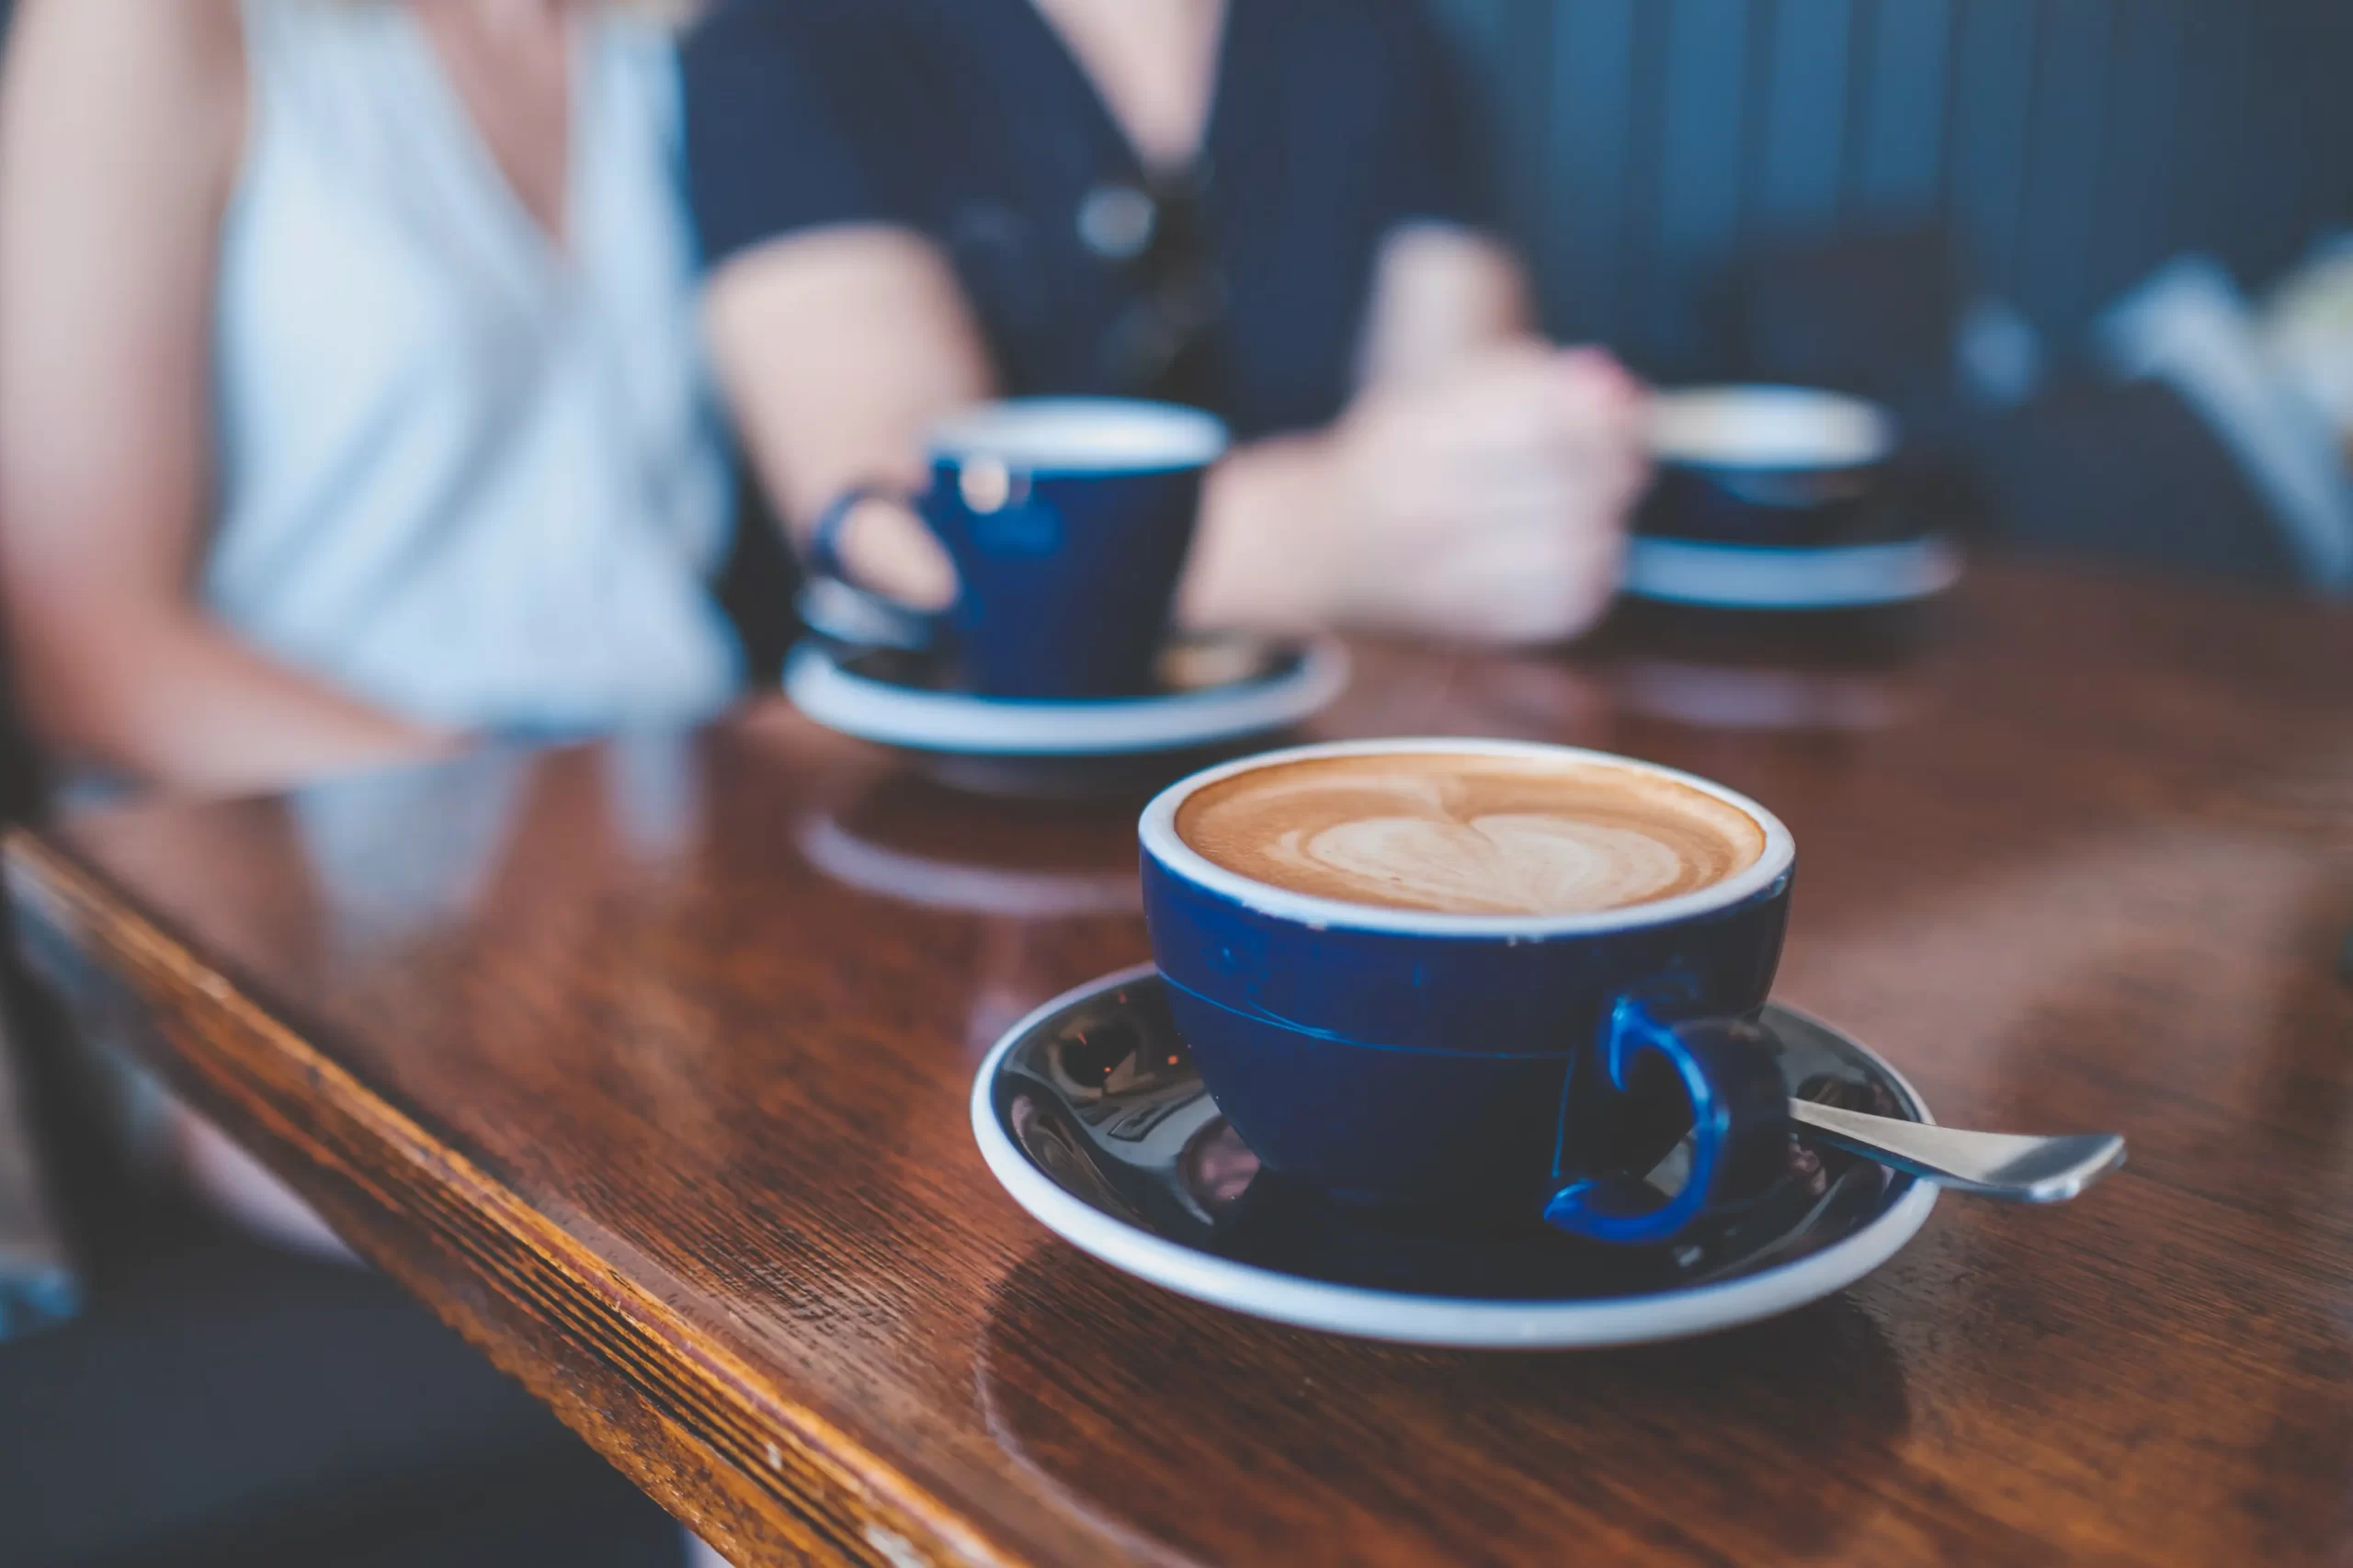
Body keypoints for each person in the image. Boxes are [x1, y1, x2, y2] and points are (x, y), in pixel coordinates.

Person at [0, 2, 724, 1561]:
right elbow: (90, 639)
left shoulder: (684, 39)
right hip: (294, 878)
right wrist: (556, 820)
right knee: (746, 1230)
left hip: (696, 867)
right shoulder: (154, 31)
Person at [683, 0, 1649, 649]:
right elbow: (898, 536)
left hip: (1309, 776)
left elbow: (1459, 448)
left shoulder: (1377, 36)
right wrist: (1328, 533)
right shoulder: (791, 37)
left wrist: (1526, 484)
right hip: (911, 822)